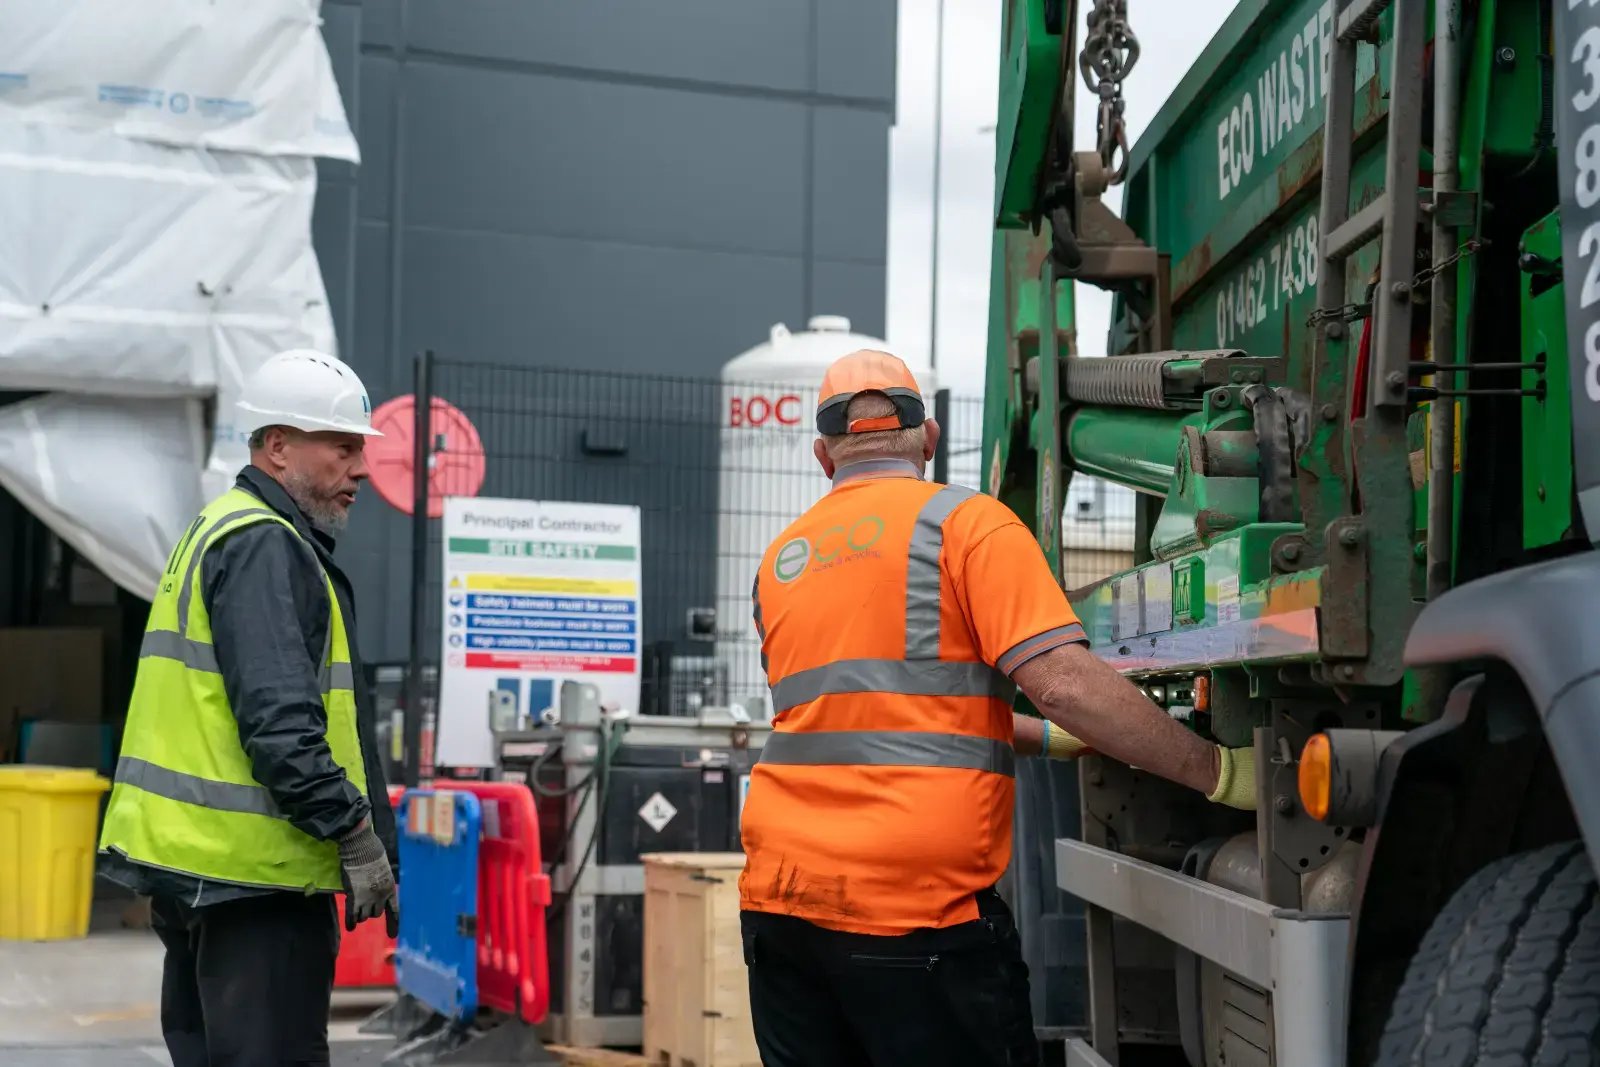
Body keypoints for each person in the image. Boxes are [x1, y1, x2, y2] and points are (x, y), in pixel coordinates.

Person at [737, 349, 1257, 1067]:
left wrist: (1045, 738)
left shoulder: (779, 562)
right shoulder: (964, 525)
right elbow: (1065, 682)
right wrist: (1217, 770)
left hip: (781, 912)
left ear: (825, 456)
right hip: (916, 922)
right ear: (928, 437)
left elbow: (868, 718)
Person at [98, 349, 399, 1067]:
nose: (361, 468)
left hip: (200, 874)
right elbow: (281, 724)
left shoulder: (221, 526)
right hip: (256, 883)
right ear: (278, 446)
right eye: (343, 446)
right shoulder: (266, 544)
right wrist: (353, 831)